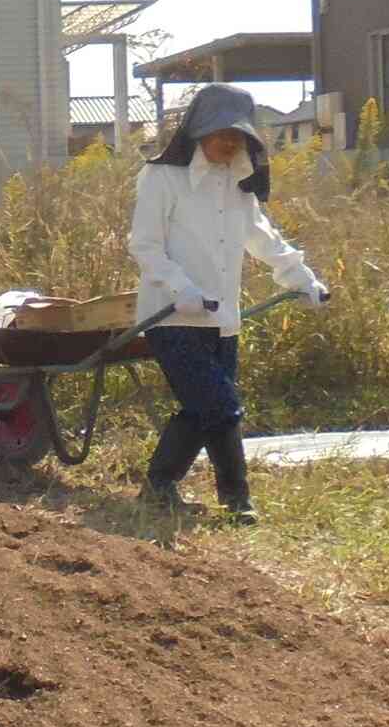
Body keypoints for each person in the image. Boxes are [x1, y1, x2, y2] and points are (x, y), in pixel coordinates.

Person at [129, 83, 330, 525]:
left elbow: (262, 238)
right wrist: (179, 287)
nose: (228, 143)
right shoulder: (163, 177)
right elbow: (144, 245)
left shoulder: (238, 185)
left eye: (238, 137)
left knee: (203, 408)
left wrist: (302, 277)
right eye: (221, 133)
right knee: (222, 405)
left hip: (222, 321)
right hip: (171, 317)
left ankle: (159, 485)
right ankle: (237, 501)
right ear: (199, 130)